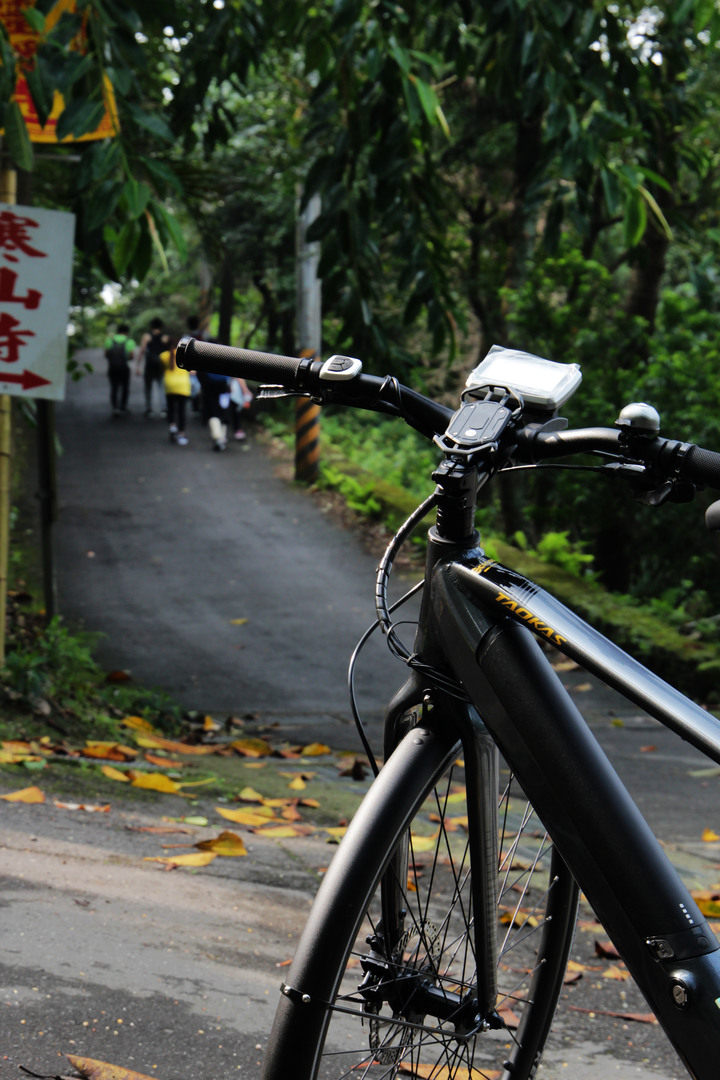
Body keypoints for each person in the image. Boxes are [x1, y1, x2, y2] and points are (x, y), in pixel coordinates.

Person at [135, 317, 169, 417]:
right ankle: (164, 409)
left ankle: (149, 409)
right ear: (161, 326)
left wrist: (138, 366)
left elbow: (142, 350)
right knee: (161, 387)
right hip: (161, 366)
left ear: (151, 326)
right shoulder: (165, 337)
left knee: (148, 388)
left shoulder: (147, 336)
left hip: (149, 366)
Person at [160, 338, 191, 446]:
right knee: (181, 411)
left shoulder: (163, 356)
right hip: (183, 386)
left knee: (171, 408)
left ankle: (172, 426)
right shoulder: (185, 355)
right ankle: (181, 434)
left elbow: (163, 368)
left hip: (170, 385)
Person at [103, 323, 136, 417]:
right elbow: (131, 356)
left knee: (114, 388)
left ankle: (115, 408)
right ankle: (123, 407)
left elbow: (106, 354)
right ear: (127, 332)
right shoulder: (129, 341)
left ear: (118, 331)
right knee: (125, 388)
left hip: (112, 367)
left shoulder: (110, 340)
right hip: (124, 368)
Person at [199, 368, 231, 451]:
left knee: (213, 412)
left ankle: (217, 437)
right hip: (223, 385)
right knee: (223, 411)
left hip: (209, 385)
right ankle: (222, 437)